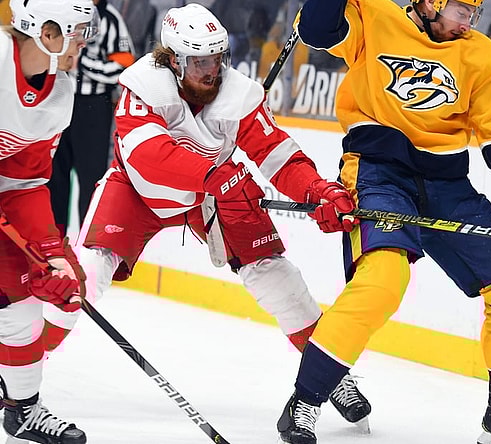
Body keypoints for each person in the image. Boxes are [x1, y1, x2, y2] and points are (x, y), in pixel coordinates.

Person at [276, 0, 491, 443]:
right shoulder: (376, 17)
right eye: (460, 10)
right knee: (382, 281)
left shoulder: (479, 53)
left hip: (447, 184)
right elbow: (319, 32)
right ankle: (304, 402)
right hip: (378, 171)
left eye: (474, 13)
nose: (468, 22)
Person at [39, 3, 373, 431]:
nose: (211, 69)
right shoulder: (142, 84)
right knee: (85, 274)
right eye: (199, 61)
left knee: (275, 274)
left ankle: (331, 377)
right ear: (174, 60)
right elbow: (148, 156)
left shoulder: (238, 94)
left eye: (217, 58)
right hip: (138, 191)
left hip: (207, 195)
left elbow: (278, 155)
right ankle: (20, 370)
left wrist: (318, 189)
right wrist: (218, 175)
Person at [0, 0, 97, 442]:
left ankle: (22, 409)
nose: (82, 42)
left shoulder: (60, 92)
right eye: (76, 32)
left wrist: (50, 254)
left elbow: (26, 183)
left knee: (22, 304)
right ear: (47, 32)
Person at [48, 0, 135, 238]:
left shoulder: (111, 19)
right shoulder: (59, 11)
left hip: (92, 108)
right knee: (54, 175)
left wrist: (84, 63)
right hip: (57, 101)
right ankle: (53, 241)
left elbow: (125, 65)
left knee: (91, 178)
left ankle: (88, 242)